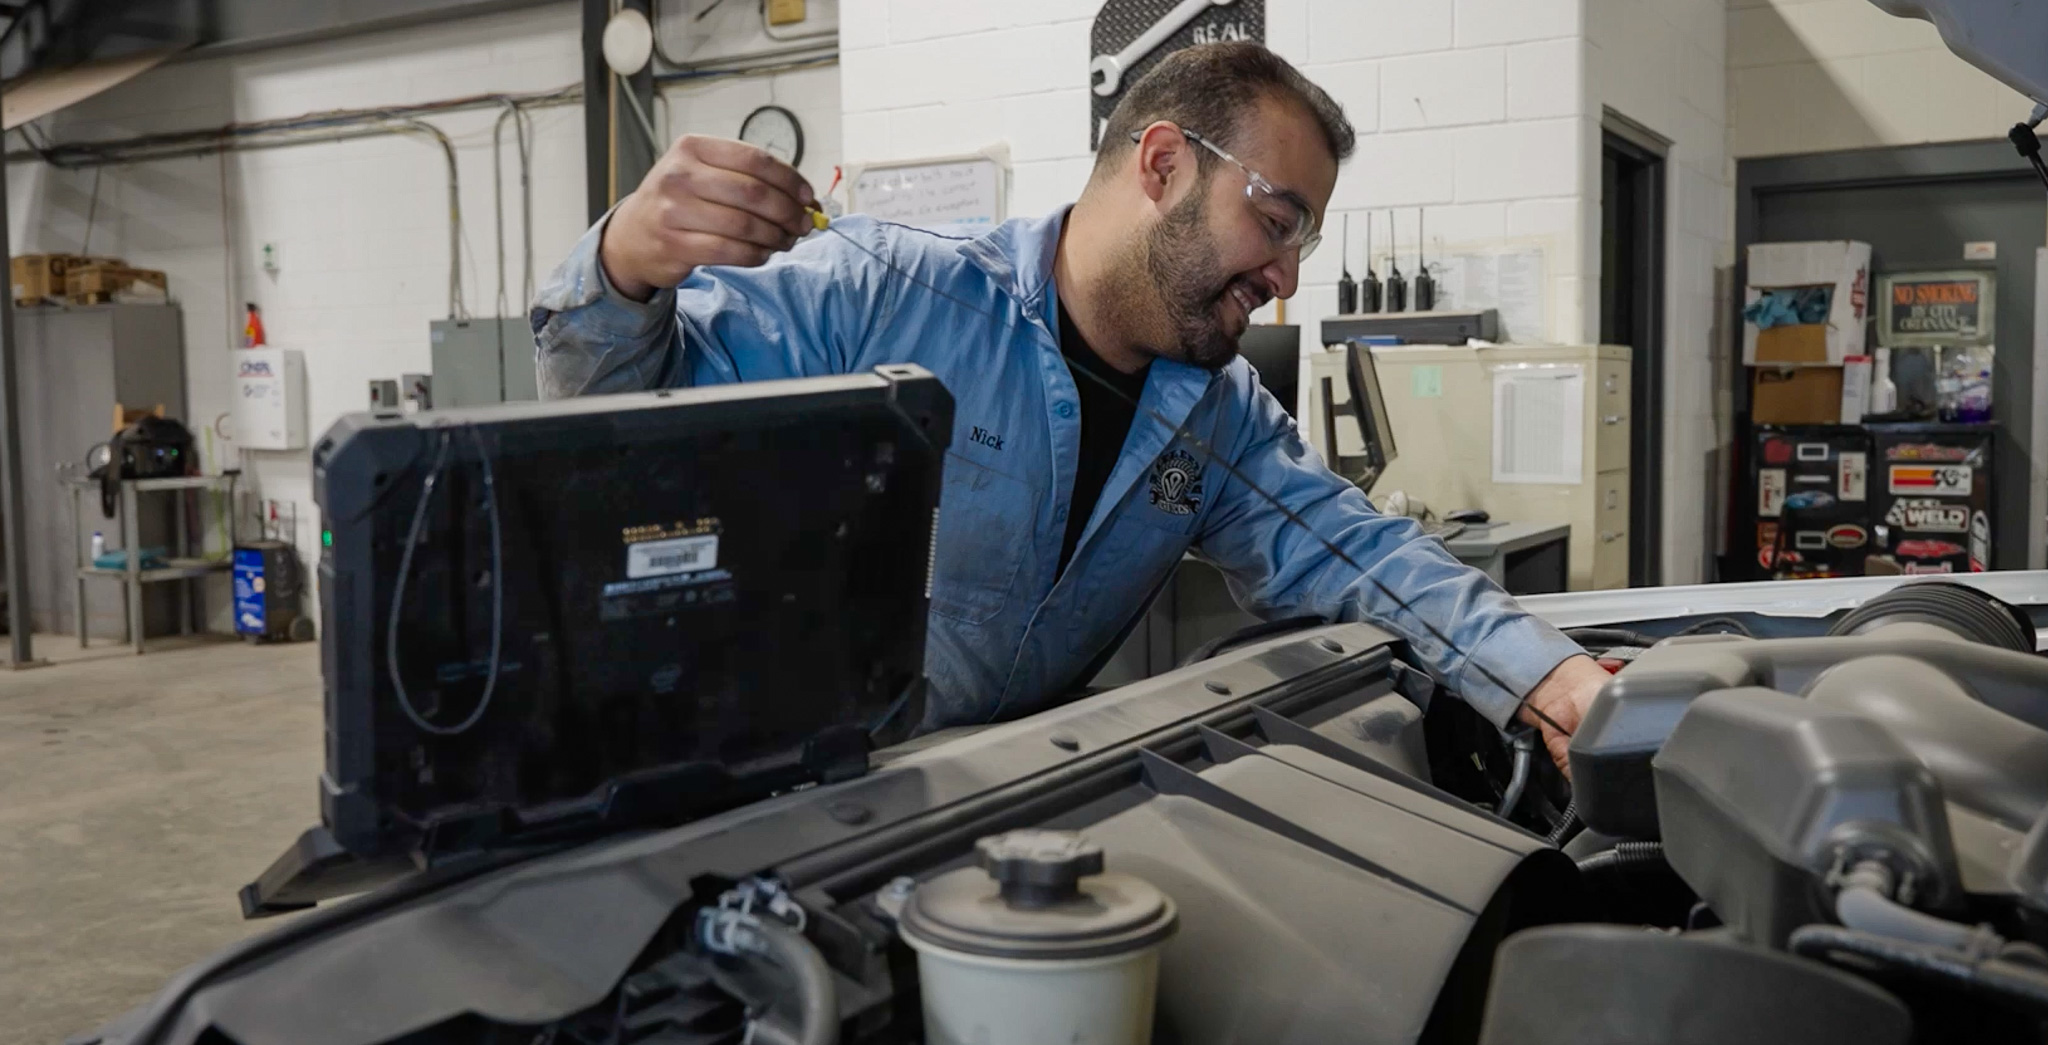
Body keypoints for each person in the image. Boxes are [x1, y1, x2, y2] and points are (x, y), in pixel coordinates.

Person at [532, 42, 1609, 769]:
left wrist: (1545, 675)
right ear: (1161, 162)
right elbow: (615, 441)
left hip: (992, 823)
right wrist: (625, 264)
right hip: (766, 813)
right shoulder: (880, 296)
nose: (1287, 275)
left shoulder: (1214, 416)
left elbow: (1356, 550)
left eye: (1303, 240)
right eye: (1275, 220)